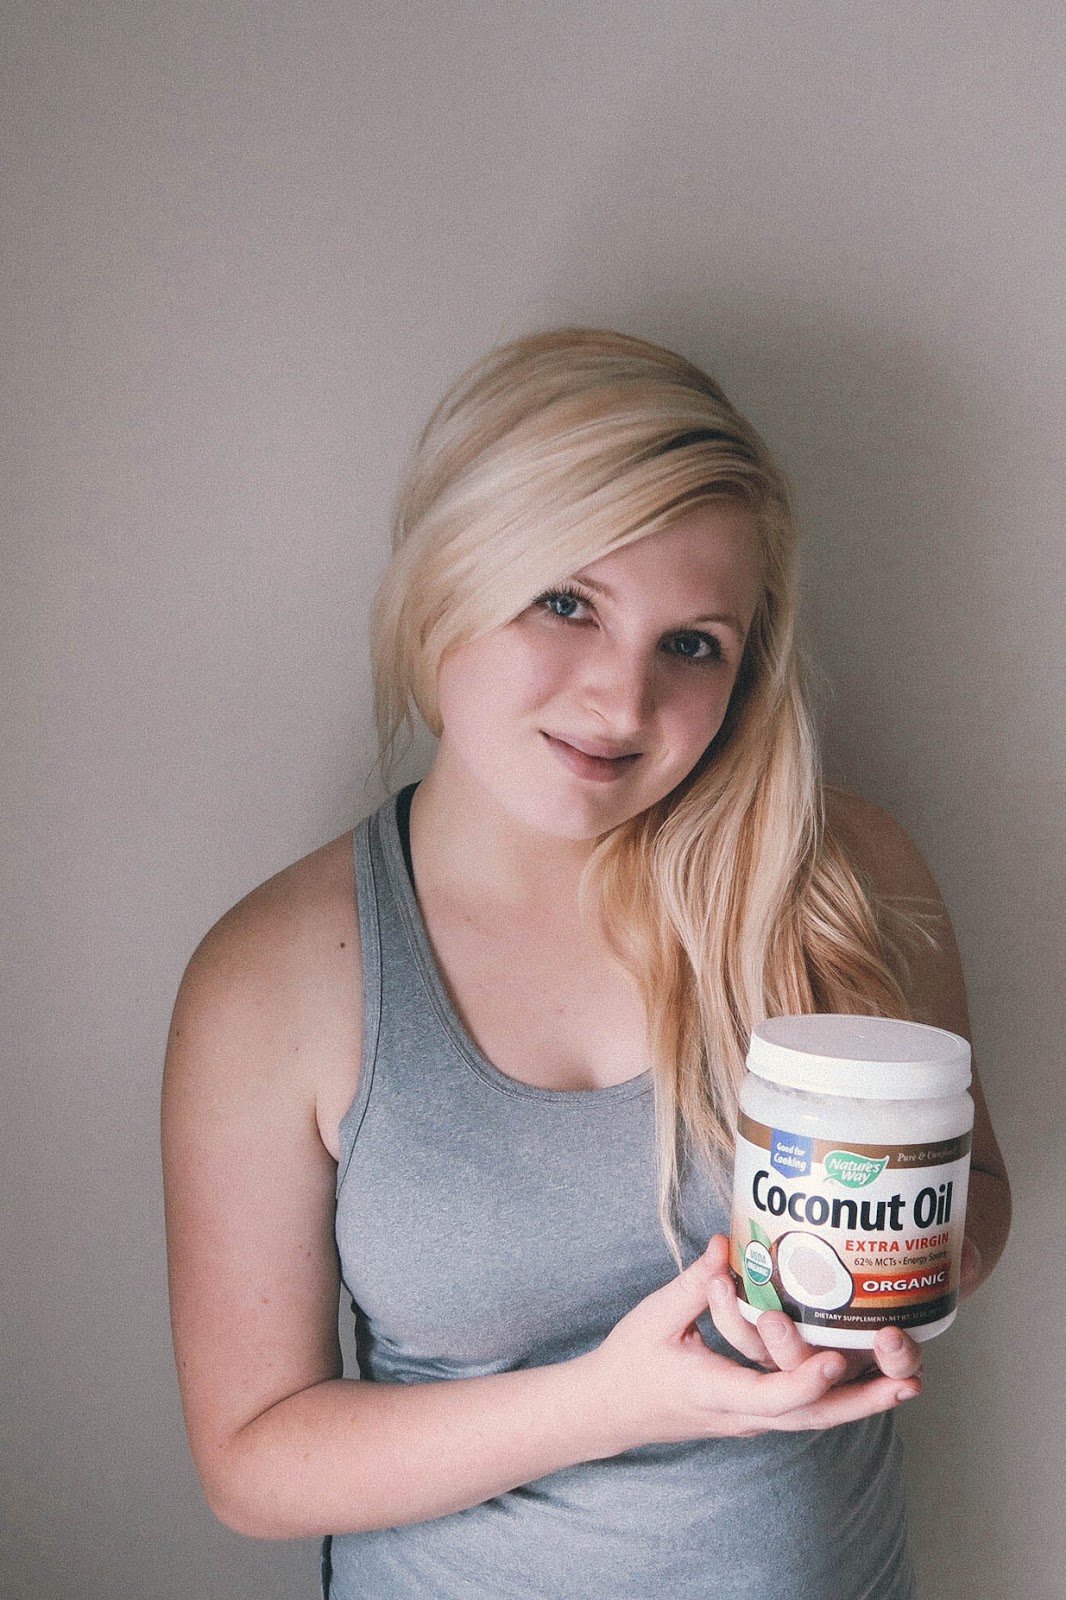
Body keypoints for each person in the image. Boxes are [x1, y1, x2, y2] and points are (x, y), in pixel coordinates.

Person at [161, 327, 1011, 1599]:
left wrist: (884, 1280)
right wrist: (609, 1404)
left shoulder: (835, 876)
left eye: (692, 643)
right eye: (566, 604)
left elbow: (974, 1189)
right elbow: (253, 1463)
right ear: (449, 581)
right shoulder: (274, 979)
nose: (622, 703)